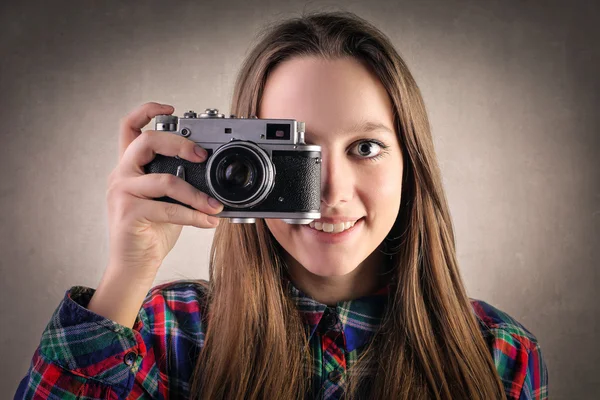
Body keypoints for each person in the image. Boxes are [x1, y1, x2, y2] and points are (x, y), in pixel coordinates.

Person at [14, 10, 548, 400]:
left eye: (366, 148)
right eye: (296, 155)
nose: (330, 191)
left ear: (411, 163)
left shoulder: (499, 354)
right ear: (236, 163)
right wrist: (128, 272)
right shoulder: (164, 332)